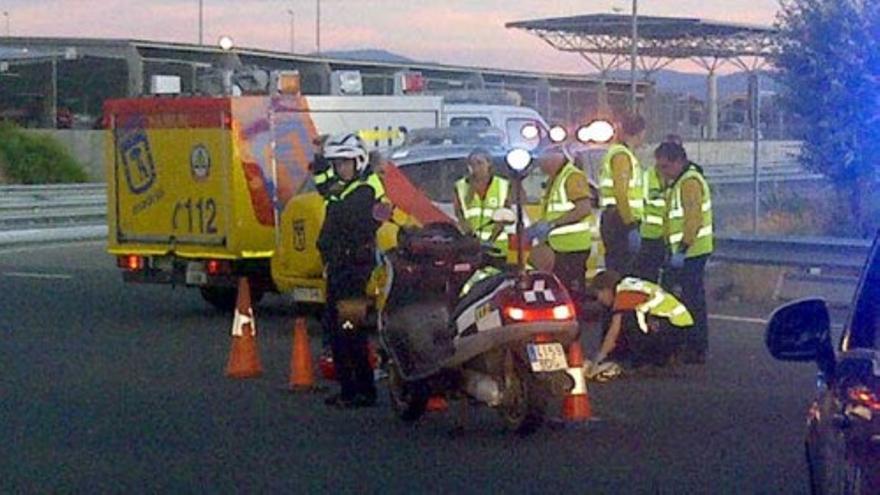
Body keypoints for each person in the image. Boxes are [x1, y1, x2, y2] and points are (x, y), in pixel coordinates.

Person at [316, 133, 384, 408]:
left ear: (358, 162)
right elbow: (324, 187)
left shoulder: (365, 190)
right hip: (339, 268)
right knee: (337, 330)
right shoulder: (347, 186)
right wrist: (320, 159)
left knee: (350, 330)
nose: (340, 168)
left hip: (353, 271)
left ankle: (363, 392)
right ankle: (348, 390)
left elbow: (341, 212)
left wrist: (330, 194)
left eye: (344, 163)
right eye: (336, 164)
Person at [655, 141, 713, 364]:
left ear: (679, 161)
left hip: (691, 253)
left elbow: (693, 220)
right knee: (686, 299)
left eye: (666, 167)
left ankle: (695, 347)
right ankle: (687, 345)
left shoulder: (688, 182)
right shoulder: (680, 181)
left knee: (691, 301)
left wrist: (682, 249)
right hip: (684, 252)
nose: (663, 172)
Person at [585, 270, 694, 381]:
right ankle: (659, 359)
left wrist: (598, 359)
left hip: (672, 325)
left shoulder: (624, 293)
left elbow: (614, 331)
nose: (599, 299)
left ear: (606, 290)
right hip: (680, 324)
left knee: (627, 320)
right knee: (631, 318)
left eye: (598, 294)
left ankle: (644, 361)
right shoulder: (629, 285)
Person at [525, 144, 594, 297]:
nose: (539, 164)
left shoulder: (571, 176)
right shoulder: (555, 179)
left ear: (553, 156)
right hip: (559, 248)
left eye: (541, 158)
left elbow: (584, 208)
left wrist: (552, 224)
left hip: (571, 249)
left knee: (570, 296)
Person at [598, 113, 647, 274]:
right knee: (623, 270)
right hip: (620, 221)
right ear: (640, 132)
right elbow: (621, 193)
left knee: (619, 268)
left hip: (616, 218)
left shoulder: (619, 153)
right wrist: (630, 225)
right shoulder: (621, 156)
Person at [632, 134, 681, 282]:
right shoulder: (647, 176)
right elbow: (640, 201)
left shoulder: (683, 177)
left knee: (671, 281)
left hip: (672, 238)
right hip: (650, 237)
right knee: (648, 278)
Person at [453, 149, 513, 255]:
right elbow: (459, 214)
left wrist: (490, 241)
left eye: (480, 163)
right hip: (471, 248)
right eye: (472, 164)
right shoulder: (461, 186)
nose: (476, 167)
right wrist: (470, 237)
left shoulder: (503, 185)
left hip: (496, 247)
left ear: (489, 164)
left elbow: (506, 215)